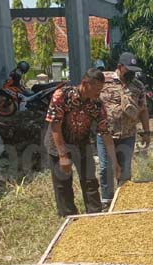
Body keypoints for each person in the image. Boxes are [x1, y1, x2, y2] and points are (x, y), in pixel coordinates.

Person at [44, 68, 119, 217]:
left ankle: (94, 215)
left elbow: (105, 132)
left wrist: (114, 161)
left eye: (101, 89)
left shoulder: (96, 104)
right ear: (85, 84)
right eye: (97, 89)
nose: (99, 93)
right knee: (63, 183)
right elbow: (55, 126)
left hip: (81, 143)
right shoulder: (62, 96)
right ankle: (69, 218)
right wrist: (63, 156)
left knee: (90, 180)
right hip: (58, 143)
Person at [97, 52, 151, 205]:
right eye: (129, 69)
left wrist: (146, 132)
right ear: (120, 67)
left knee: (125, 168)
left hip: (128, 134)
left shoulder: (138, 86)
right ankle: (107, 201)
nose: (132, 73)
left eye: (134, 70)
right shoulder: (103, 80)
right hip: (106, 134)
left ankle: (124, 200)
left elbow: (143, 110)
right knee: (105, 168)